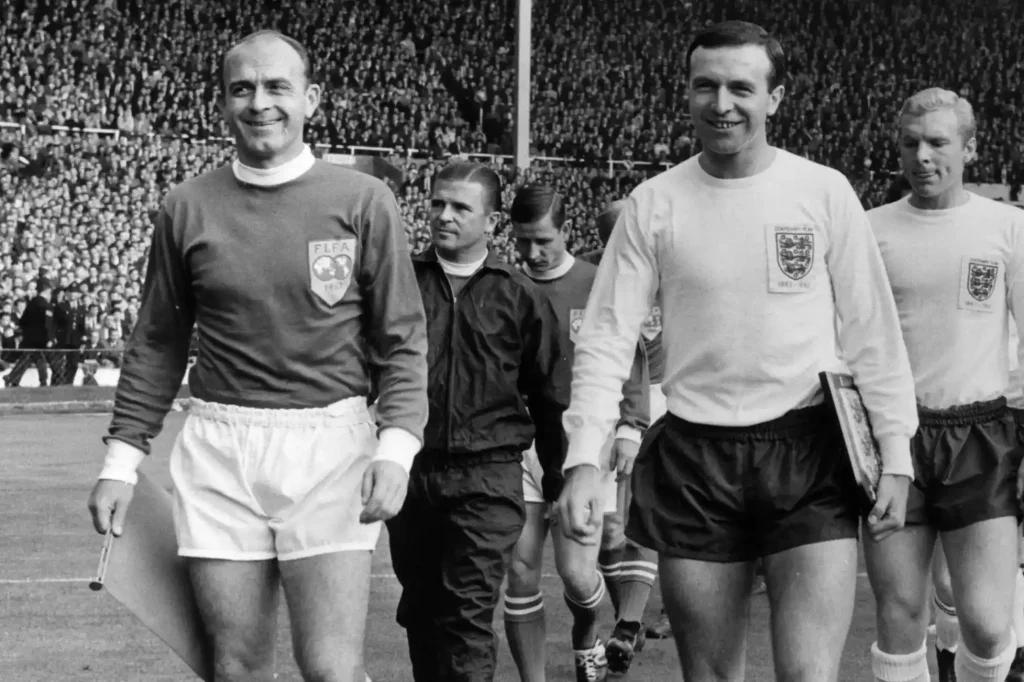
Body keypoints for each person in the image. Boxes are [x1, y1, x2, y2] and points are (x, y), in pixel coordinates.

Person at [557, 20, 919, 682]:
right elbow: (607, 337)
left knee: (808, 675)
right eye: (706, 86)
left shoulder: (824, 192)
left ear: (775, 97)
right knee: (713, 677)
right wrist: (584, 458)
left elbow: (873, 332)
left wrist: (895, 454)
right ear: (688, 93)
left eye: (740, 87)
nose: (722, 104)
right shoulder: (653, 204)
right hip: (697, 458)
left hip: (808, 452)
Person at [85, 30, 428, 682]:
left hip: (330, 447)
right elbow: (158, 339)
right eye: (242, 88)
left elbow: (402, 338)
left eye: (277, 87)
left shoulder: (362, 202)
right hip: (220, 446)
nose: (260, 103)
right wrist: (121, 462)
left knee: (329, 667)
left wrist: (397, 448)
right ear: (222, 103)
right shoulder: (186, 207)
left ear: (311, 99)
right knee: (236, 667)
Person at [388, 162, 570, 682]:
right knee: (420, 613)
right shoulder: (401, 283)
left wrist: (557, 478)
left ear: (490, 221)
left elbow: (550, 397)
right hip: (413, 473)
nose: (444, 216)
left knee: (466, 616)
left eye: (461, 207)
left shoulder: (520, 296)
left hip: (488, 476)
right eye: (437, 203)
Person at [865, 87, 1024, 682]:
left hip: (980, 435)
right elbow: (850, 341)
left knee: (986, 622)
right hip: (894, 439)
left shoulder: (1007, 228)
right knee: (900, 613)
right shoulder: (869, 230)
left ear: (971, 148)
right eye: (910, 143)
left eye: (937, 142)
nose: (922, 156)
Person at [503, 184, 649, 682]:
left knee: (578, 575)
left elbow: (628, 355)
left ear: (566, 231)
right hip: (519, 445)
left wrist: (632, 423)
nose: (531, 253)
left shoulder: (597, 282)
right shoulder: (504, 283)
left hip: (582, 445)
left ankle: (587, 632)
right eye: (522, 241)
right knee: (520, 571)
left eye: (542, 240)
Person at [579, 201, 665, 657]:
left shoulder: (674, 268)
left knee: (647, 513)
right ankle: (627, 615)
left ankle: (631, 621)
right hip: (613, 394)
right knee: (615, 522)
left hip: (668, 395)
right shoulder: (592, 274)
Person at [4, 278, 55, 387]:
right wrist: (50, 338)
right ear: (46, 291)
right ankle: (43, 382)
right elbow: (47, 324)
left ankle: (12, 378)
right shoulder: (46, 305)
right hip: (40, 338)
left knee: (29, 359)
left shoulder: (32, 302)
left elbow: (23, 321)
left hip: (29, 337)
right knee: (39, 359)